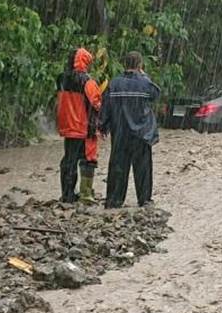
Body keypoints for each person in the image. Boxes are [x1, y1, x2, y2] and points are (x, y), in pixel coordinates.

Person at [100, 51, 160, 208]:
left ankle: (114, 200)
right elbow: (155, 95)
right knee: (143, 169)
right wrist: (145, 77)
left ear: (124, 64)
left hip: (120, 132)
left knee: (118, 167)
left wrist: (103, 125)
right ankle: (144, 200)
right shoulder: (145, 83)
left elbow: (105, 106)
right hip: (141, 133)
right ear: (140, 65)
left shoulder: (114, 83)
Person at [56, 47, 103, 204]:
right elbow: (97, 104)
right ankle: (85, 194)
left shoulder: (62, 79)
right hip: (83, 126)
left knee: (68, 160)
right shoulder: (87, 81)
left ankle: (67, 194)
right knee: (88, 159)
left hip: (67, 126)